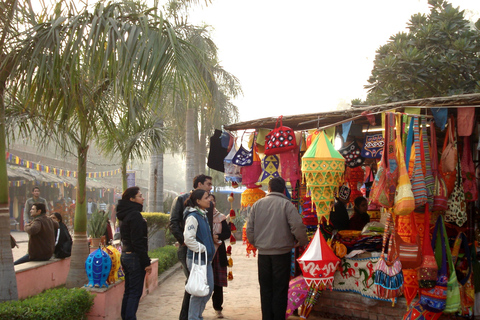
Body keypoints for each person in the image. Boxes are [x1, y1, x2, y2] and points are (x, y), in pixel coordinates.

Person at [246, 177, 308, 320]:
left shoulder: (257, 205)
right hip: (282, 253)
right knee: (280, 289)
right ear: (282, 190)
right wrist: (301, 241)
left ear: (269, 188)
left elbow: (250, 229)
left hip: (263, 254)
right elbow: (298, 226)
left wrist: (257, 244)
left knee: (266, 289)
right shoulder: (287, 205)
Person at [169, 174, 213, 320]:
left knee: (203, 288)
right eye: (208, 184)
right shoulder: (184, 202)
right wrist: (185, 242)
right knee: (194, 288)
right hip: (191, 252)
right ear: (199, 185)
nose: (210, 187)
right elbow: (174, 223)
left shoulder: (205, 209)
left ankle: (194, 316)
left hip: (203, 254)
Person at [116, 186, 152, 320]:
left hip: (126, 255)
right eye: (140, 196)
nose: (143, 198)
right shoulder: (135, 215)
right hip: (134, 257)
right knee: (134, 293)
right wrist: (146, 262)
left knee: (129, 291)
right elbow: (138, 241)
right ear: (132, 199)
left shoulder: (125, 214)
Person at [183, 189, 216, 320]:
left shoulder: (202, 215)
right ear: (198, 201)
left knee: (208, 289)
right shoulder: (192, 216)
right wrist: (201, 248)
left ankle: (197, 315)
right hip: (197, 259)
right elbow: (188, 239)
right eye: (206, 197)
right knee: (198, 291)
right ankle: (193, 317)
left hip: (205, 259)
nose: (209, 200)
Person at [209, 194, 231, 319]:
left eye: (213, 201)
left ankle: (218, 308)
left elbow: (227, 233)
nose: (211, 203)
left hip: (218, 252)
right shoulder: (200, 216)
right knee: (204, 281)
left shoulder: (221, 217)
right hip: (205, 252)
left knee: (218, 283)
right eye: (209, 200)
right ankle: (198, 308)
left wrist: (217, 237)